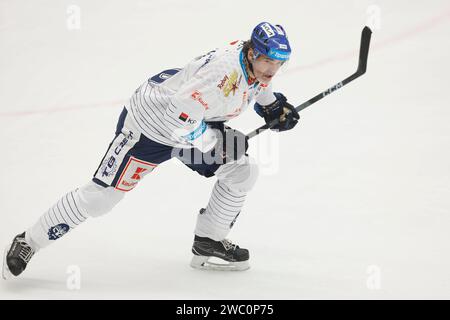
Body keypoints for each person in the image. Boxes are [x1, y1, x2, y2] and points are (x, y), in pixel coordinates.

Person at [2, 22, 299, 277]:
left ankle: (209, 240)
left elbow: (256, 87)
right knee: (102, 198)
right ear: (251, 53)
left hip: (193, 121)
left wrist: (272, 106)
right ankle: (30, 240)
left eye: (278, 64)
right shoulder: (221, 75)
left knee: (243, 172)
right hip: (151, 126)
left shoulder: (253, 66)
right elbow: (177, 117)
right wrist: (215, 144)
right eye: (267, 63)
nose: (272, 71)